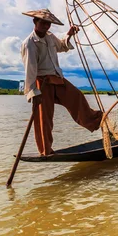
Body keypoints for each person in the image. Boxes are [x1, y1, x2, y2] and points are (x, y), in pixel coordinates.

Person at [20, 8, 102, 156]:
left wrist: (69, 34)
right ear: (35, 22)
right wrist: (33, 92)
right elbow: (30, 70)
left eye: (48, 23)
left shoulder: (50, 37)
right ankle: (46, 150)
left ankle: (97, 121)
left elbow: (62, 46)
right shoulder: (29, 43)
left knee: (77, 97)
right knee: (44, 117)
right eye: (43, 23)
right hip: (42, 82)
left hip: (57, 78)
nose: (46, 26)